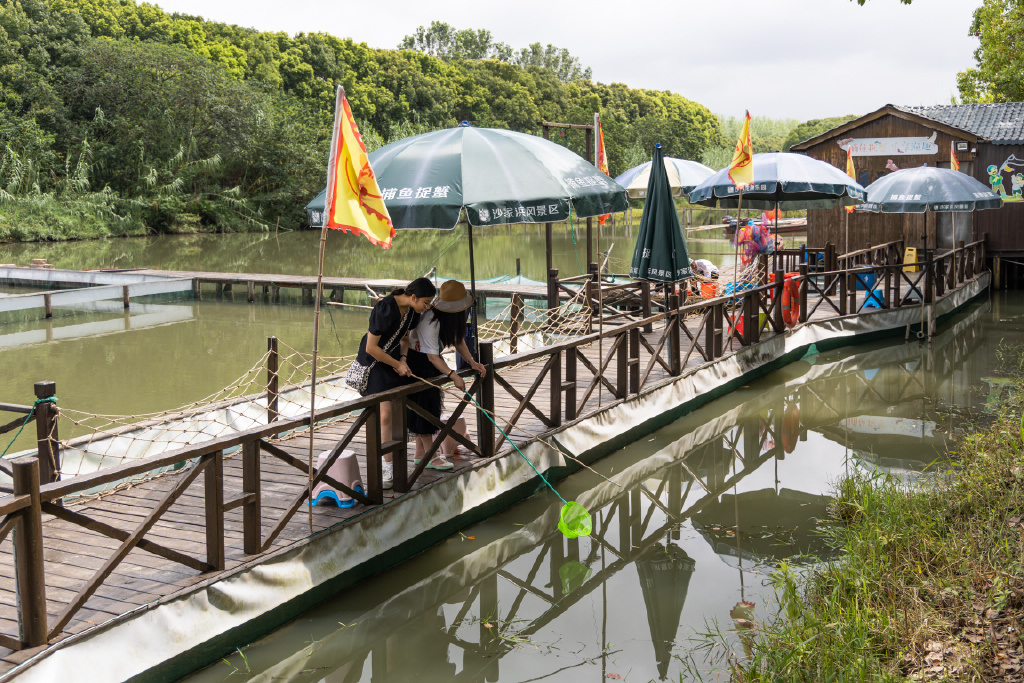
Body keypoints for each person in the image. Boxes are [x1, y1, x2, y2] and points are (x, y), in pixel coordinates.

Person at [353, 277, 436, 488]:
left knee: (401, 407)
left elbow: (405, 340)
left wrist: (403, 359)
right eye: (425, 303)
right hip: (373, 363)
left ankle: (395, 462)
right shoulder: (385, 308)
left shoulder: (412, 313)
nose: (427, 308)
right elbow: (371, 348)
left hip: (392, 361)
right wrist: (396, 364)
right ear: (413, 296)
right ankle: (386, 467)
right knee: (385, 413)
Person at [405, 280, 486, 470]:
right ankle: (432, 458)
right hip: (417, 364)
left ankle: (420, 455)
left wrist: (472, 362)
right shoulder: (430, 321)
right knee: (424, 411)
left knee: (427, 409)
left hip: (429, 362)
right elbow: (433, 357)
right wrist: (453, 375)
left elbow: (458, 341)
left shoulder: (446, 320)